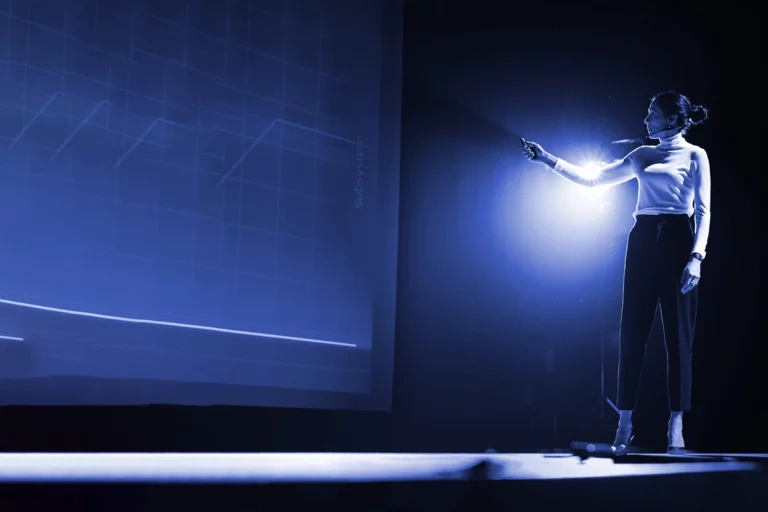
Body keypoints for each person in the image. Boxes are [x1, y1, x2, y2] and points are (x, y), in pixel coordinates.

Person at [521, 91, 711, 455]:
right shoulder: (641, 155)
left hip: (678, 239)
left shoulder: (695, 155)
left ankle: (676, 423)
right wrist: (548, 159)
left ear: (672, 119)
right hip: (642, 238)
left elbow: (703, 210)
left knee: (678, 337)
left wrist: (696, 257)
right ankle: (625, 422)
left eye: (653, 114)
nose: (646, 120)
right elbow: (594, 180)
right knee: (631, 332)